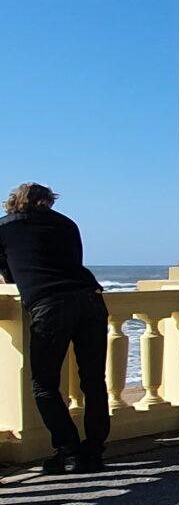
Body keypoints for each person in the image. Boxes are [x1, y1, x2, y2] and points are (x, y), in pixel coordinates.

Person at [0, 183, 110, 472]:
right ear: (48, 201)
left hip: (50, 305)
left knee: (44, 384)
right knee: (94, 381)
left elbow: (9, 274)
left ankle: (69, 452)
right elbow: (74, 261)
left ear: (13, 202)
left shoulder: (4, 228)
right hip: (90, 298)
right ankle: (94, 452)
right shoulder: (66, 224)